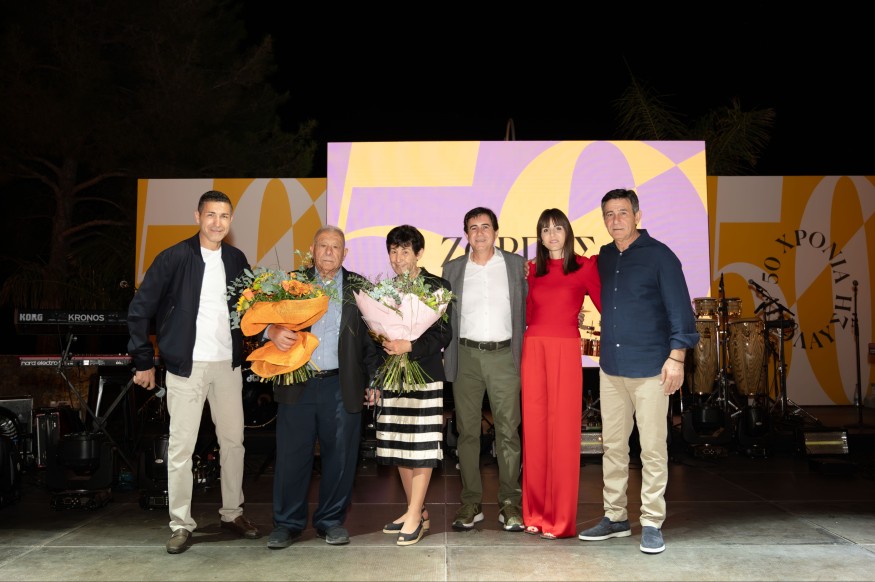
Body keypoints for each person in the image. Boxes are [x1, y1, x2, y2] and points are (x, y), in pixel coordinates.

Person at [127, 190, 261, 554]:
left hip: (227, 365)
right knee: (181, 448)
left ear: (231, 221)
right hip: (186, 367)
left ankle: (232, 514)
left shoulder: (236, 259)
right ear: (197, 217)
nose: (217, 222)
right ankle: (181, 523)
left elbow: (252, 310)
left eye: (224, 216)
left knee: (233, 443)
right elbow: (139, 309)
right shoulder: (174, 257)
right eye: (211, 215)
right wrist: (143, 360)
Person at [577, 188, 699, 554]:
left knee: (652, 448)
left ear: (637, 215)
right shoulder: (604, 256)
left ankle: (651, 522)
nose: (615, 220)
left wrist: (677, 358)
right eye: (609, 214)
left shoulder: (661, 256)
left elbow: (681, 311)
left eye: (622, 213)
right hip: (612, 369)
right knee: (613, 447)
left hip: (651, 369)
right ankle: (615, 517)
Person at [266, 225, 380, 549]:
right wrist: (272, 331)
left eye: (335, 247)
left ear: (345, 253)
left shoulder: (359, 287)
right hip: (297, 382)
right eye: (323, 246)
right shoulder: (291, 283)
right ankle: (287, 524)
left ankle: (330, 521)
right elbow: (261, 319)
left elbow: (372, 341)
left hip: (341, 384)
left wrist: (374, 381)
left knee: (341, 457)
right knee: (292, 457)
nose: (329, 252)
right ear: (312, 250)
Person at [364, 225, 453, 546]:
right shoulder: (382, 291)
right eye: (393, 251)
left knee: (422, 446)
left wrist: (410, 347)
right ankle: (417, 511)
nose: (398, 258)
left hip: (425, 375)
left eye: (405, 251)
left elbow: (443, 334)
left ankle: (414, 514)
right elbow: (373, 338)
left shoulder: (438, 287)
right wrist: (376, 376)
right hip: (392, 377)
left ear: (419, 253)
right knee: (400, 445)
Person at [442, 207, 527, 532]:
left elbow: (531, 306)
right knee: (467, 432)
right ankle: (471, 502)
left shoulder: (516, 265)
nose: (479, 233)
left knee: (508, 431)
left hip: (505, 356)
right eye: (473, 227)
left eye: (485, 226)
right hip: (466, 356)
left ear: (496, 232)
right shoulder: (452, 269)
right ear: (466, 234)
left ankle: (510, 503)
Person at [521, 208, 601, 539]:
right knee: (535, 432)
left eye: (557, 228)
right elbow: (528, 314)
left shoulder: (585, 266)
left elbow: (606, 306)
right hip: (533, 348)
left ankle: (561, 519)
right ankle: (535, 513)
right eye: (545, 230)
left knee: (563, 433)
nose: (551, 235)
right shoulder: (531, 270)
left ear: (567, 232)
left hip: (565, 350)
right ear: (539, 237)